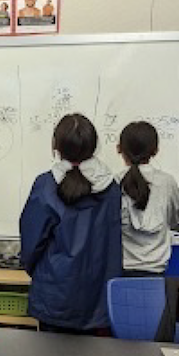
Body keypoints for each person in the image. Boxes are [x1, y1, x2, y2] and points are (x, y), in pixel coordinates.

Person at [20, 114, 122, 334]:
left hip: (55, 294)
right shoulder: (112, 188)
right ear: (93, 145)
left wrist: (41, 273)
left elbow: (31, 243)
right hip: (98, 297)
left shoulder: (46, 185)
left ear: (56, 146)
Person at [115, 122, 179, 277]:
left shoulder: (115, 183)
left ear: (120, 149)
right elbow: (174, 220)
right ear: (155, 150)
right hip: (156, 270)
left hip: (121, 271)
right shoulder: (167, 182)